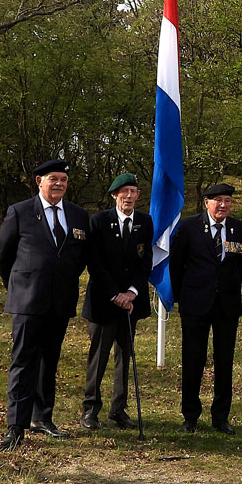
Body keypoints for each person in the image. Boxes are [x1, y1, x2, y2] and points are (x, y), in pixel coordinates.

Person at [0, 159, 90, 450]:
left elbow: (79, 257)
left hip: (60, 302)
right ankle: (16, 426)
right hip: (28, 301)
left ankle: (42, 418)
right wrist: (19, 285)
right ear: (39, 182)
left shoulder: (78, 215)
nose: (59, 183)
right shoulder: (20, 212)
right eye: (53, 179)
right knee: (24, 363)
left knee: (49, 363)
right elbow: (1, 257)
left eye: (63, 179)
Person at [168, 181, 242, 435]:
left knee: (224, 362)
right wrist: (183, 298)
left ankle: (220, 417)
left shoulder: (239, 229)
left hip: (226, 306)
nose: (223, 205)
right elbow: (176, 265)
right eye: (218, 201)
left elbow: (240, 267)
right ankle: (190, 416)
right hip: (195, 304)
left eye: (227, 200)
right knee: (193, 360)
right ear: (207, 202)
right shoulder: (188, 227)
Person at [80, 173, 153, 431]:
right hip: (104, 301)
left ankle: (118, 410)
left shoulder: (145, 222)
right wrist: (115, 295)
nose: (129, 196)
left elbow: (145, 260)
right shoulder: (99, 221)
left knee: (125, 356)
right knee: (98, 358)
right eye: (124, 192)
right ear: (114, 195)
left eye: (133, 192)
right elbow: (95, 263)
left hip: (131, 303)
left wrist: (131, 293)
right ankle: (90, 410)